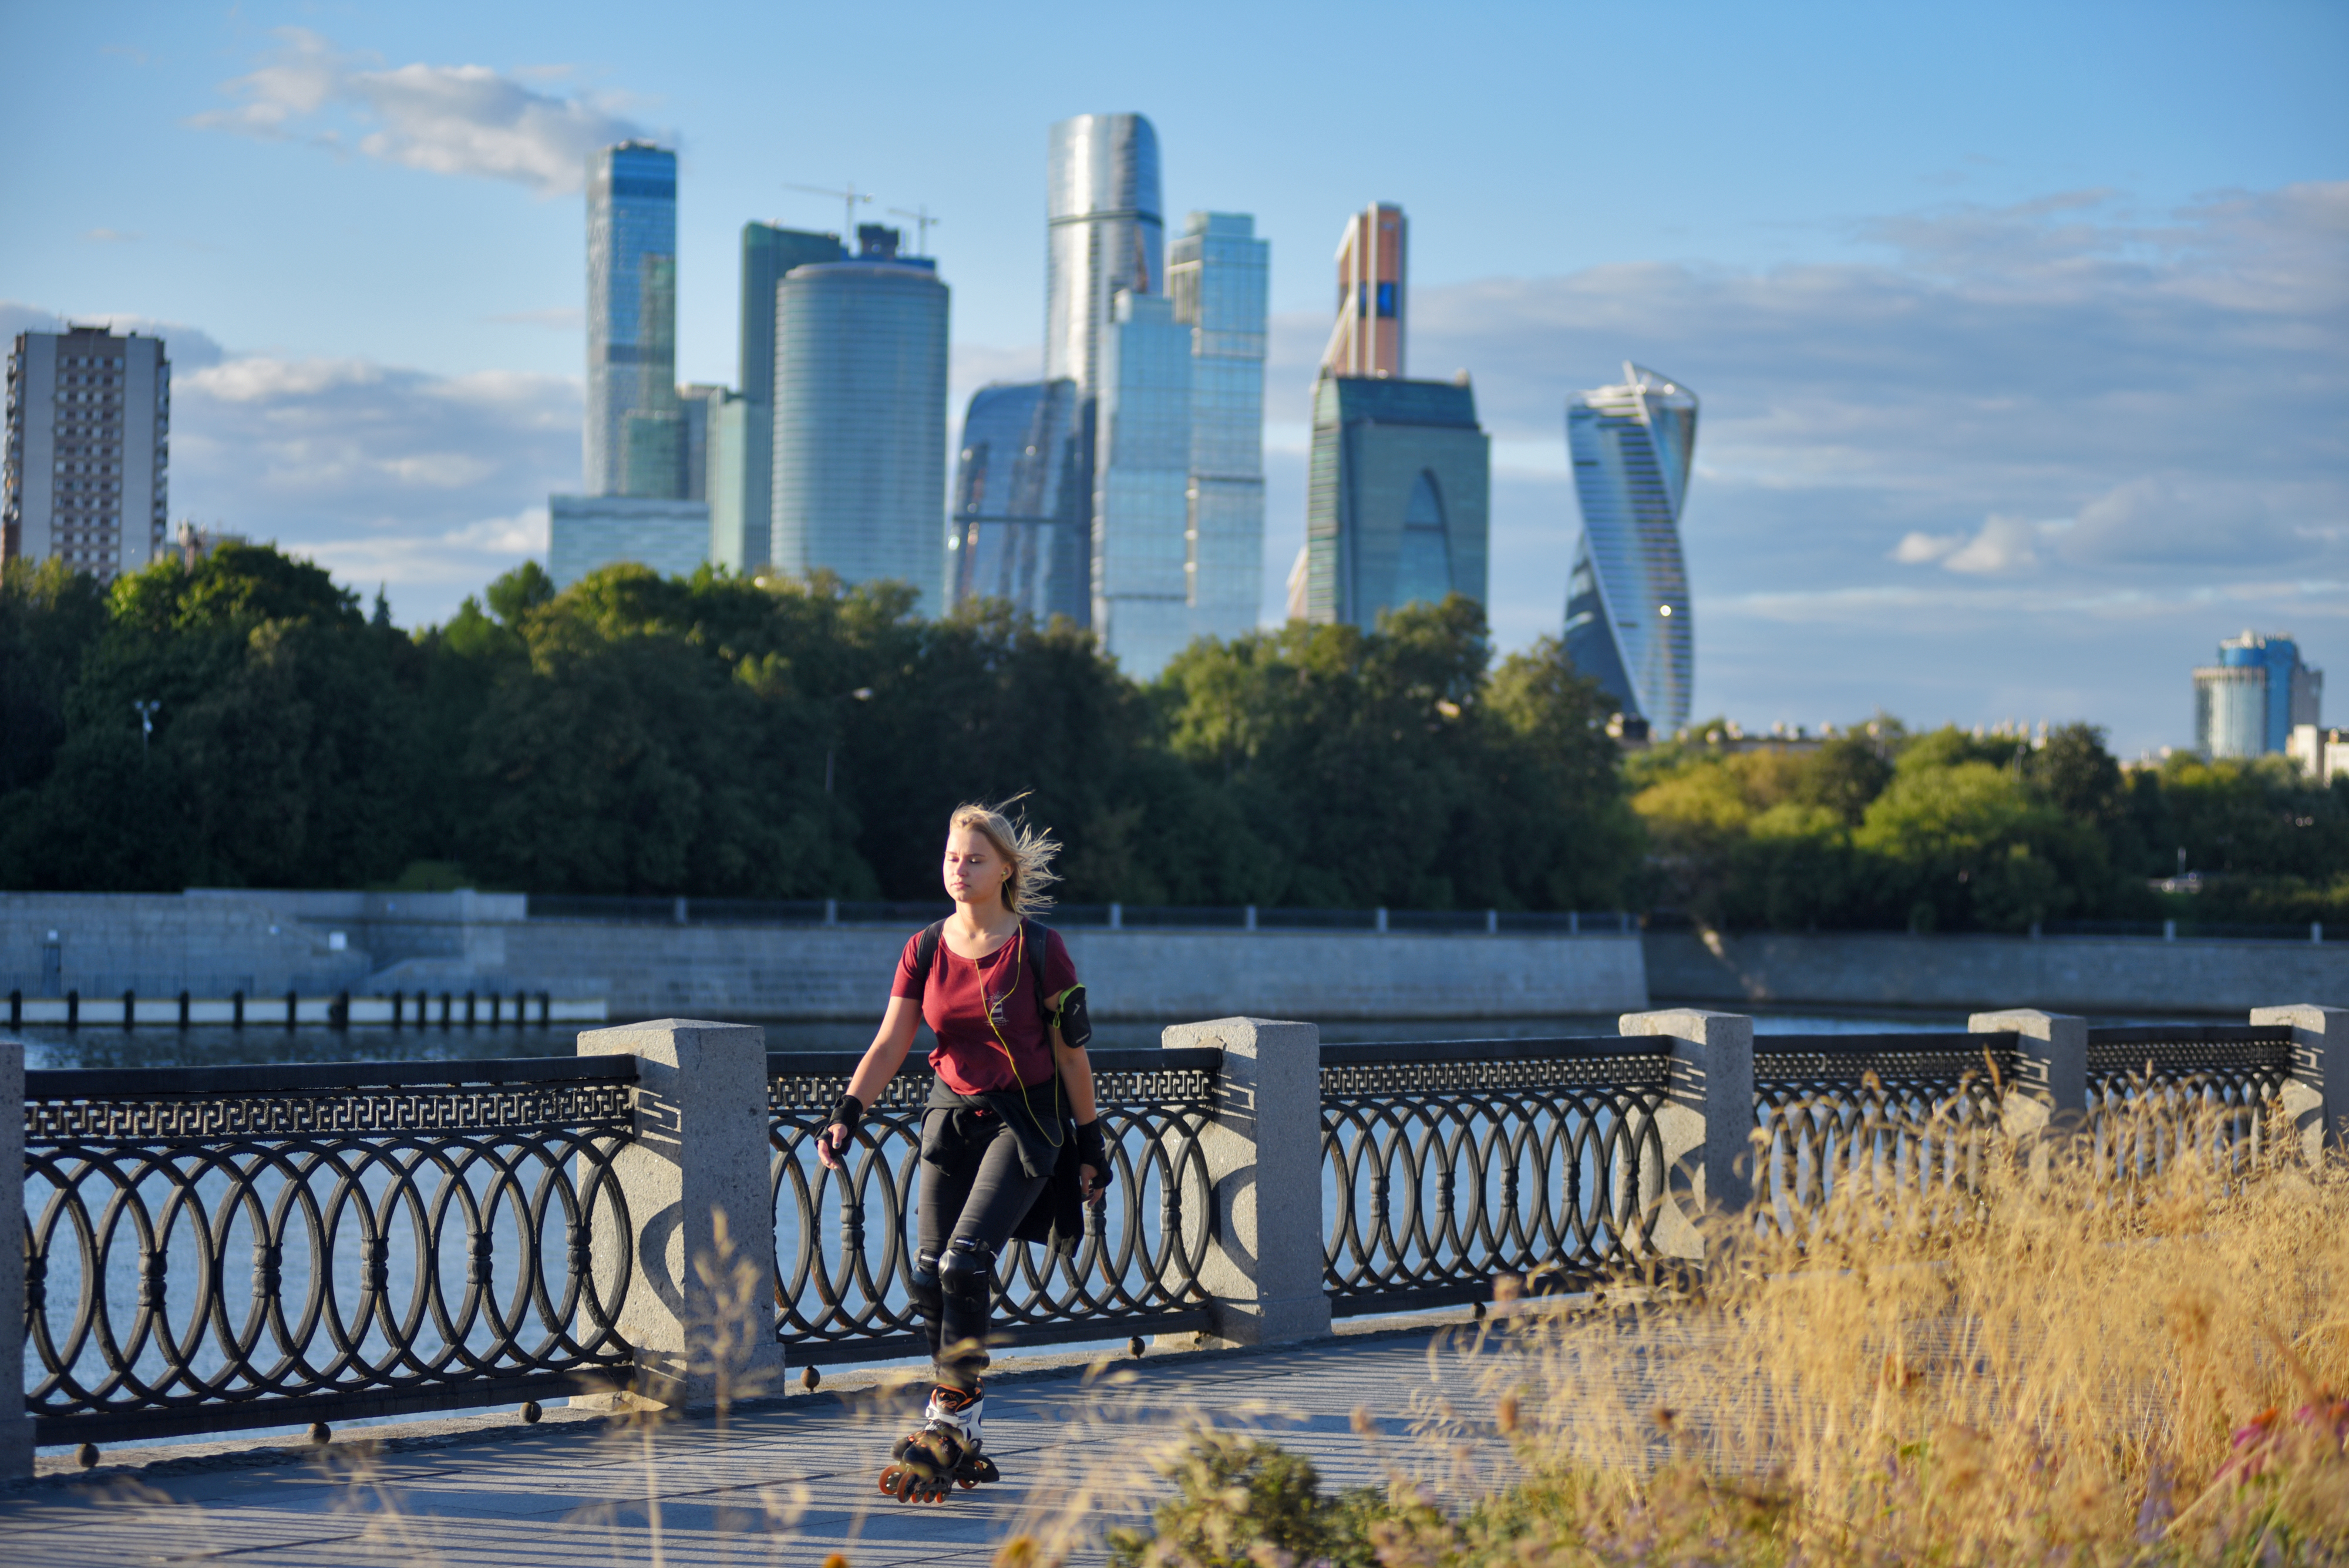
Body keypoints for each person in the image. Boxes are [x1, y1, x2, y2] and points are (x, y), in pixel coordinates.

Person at [815, 800, 1109, 1504]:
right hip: (951, 1117)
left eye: (975, 859)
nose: (960, 869)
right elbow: (892, 1042)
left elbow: (1071, 1059)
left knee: (964, 1261)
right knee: (925, 1274)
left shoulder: (1040, 949)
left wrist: (1092, 1142)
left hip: (1026, 1122)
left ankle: (949, 1417)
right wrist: (848, 1112)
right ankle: (958, 1416)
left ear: (1005, 869)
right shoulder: (923, 948)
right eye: (951, 856)